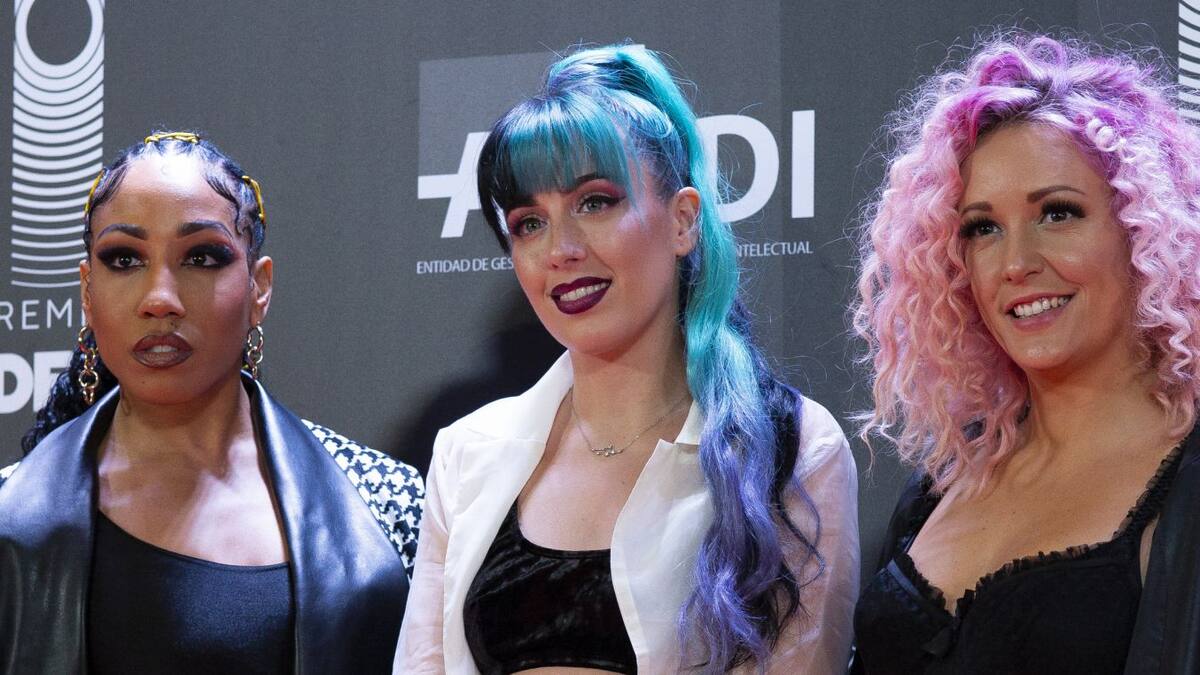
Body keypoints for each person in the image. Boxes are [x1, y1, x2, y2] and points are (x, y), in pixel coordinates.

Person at [395, 45, 858, 674]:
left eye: (594, 202)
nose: (560, 249)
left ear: (682, 221)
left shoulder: (791, 446)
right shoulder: (466, 454)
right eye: (529, 223)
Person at [1, 132, 424, 673]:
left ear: (259, 288)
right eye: (125, 259)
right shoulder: (10, 514)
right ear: (87, 292)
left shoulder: (386, 505)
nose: (160, 299)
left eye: (201, 257)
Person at [852, 34, 1200, 674]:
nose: (1015, 263)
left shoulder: (1185, 479)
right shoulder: (945, 478)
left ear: (1145, 229)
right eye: (982, 228)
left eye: (1058, 214)